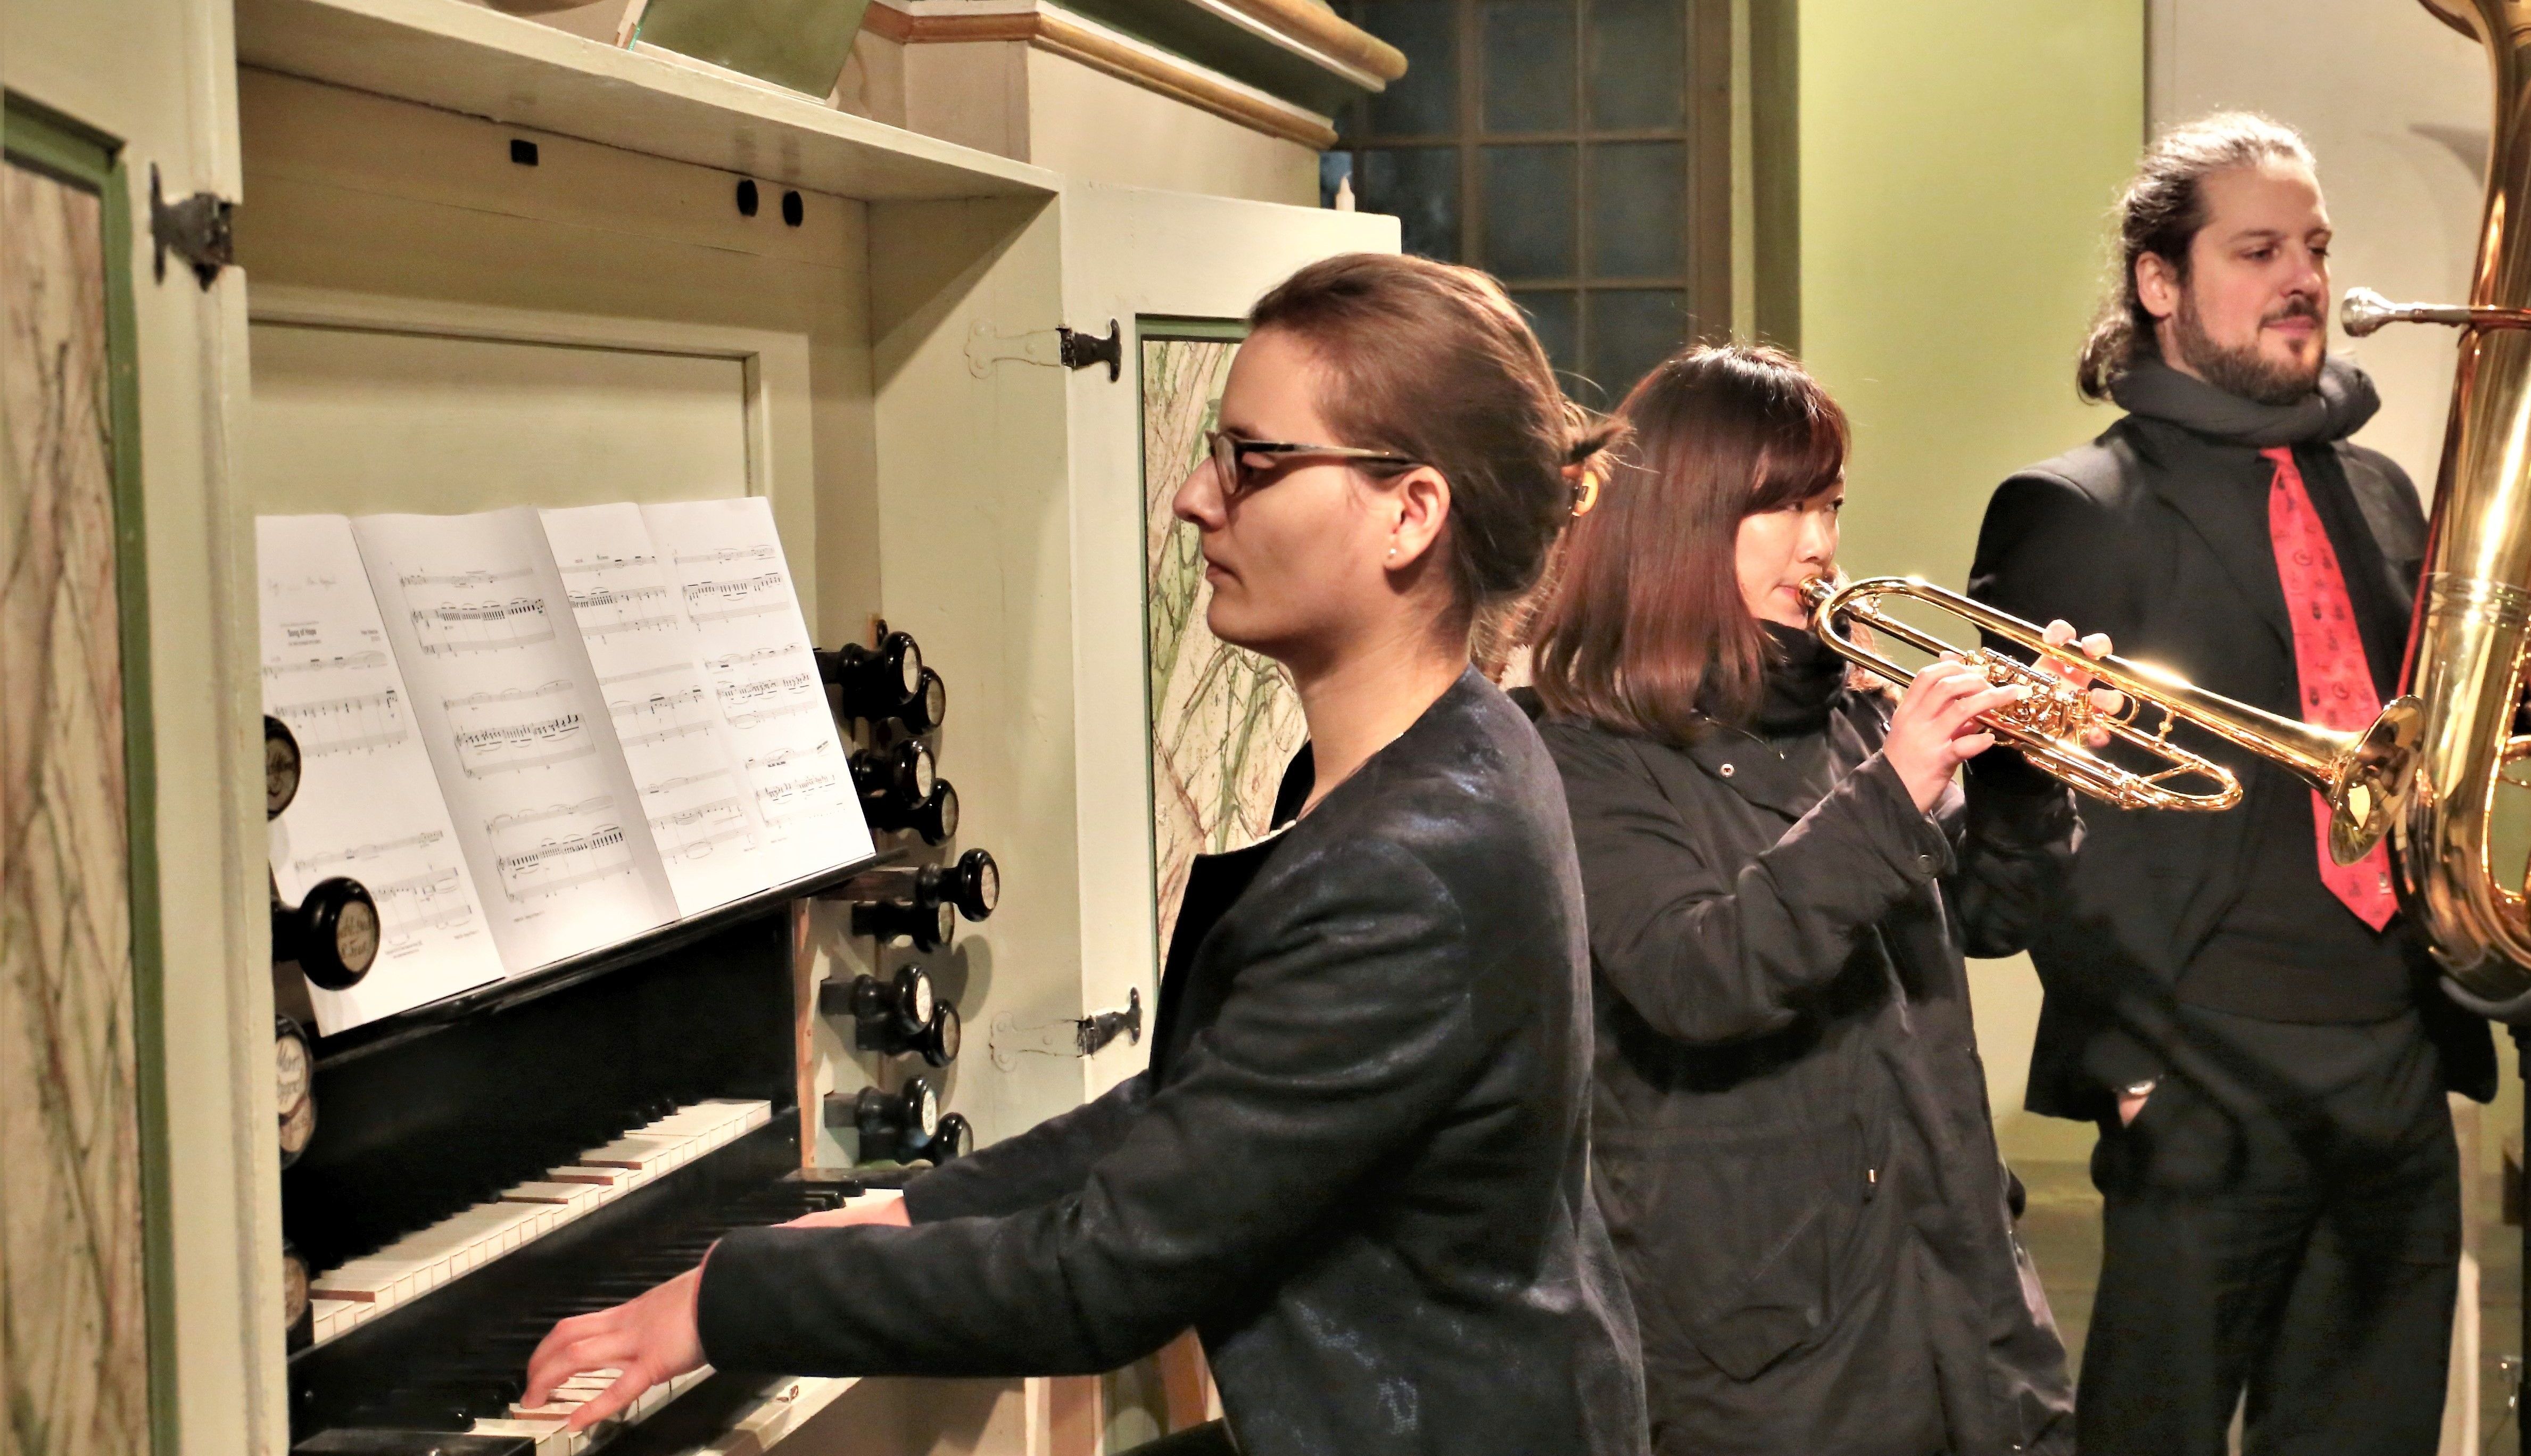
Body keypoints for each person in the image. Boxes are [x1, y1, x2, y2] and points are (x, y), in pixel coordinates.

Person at [520, 252, 1650, 1456]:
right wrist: (901, 1211)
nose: (1197, 500)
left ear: (1410, 513)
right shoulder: (1444, 748)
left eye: (1253, 462)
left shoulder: (1412, 861)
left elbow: (1098, 1281)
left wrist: (721, 1301)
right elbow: (1199, 1105)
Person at [1965, 113, 2497, 1456]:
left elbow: (2431, 751)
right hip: (2203, 1073)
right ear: (2161, 281)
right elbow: (2033, 818)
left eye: (2313, 245)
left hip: (2393, 1057)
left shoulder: (2380, 494)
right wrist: (2134, 1067)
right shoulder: (2069, 508)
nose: (2303, 276)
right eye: (2257, 248)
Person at [1523, 343, 2103, 1456]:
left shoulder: (1843, 713)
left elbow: (1985, 922)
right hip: (1768, 1359)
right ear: (1684, 521)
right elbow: (1701, 975)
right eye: (1781, 507)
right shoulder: (1585, 751)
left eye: (1829, 501)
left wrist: (2024, 776)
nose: (1821, 543)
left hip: (1960, 1301)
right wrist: (1893, 793)